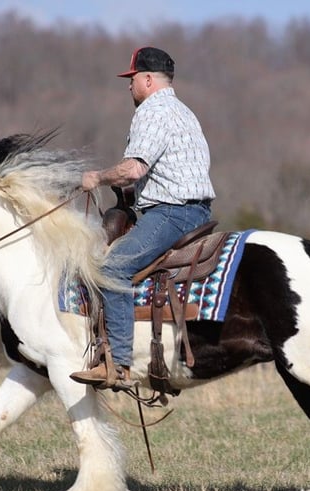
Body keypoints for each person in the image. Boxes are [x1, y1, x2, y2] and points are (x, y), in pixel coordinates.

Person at [70, 46, 216, 387]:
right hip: (194, 210)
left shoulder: (152, 111)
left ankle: (118, 365)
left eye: (132, 78)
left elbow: (133, 169)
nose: (129, 86)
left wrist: (98, 177)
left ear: (148, 80)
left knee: (112, 268)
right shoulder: (183, 112)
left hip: (173, 213)